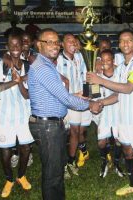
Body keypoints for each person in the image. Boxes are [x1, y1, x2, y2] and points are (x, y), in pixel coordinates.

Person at [28, 28, 102, 200]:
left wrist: (74, 96)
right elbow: (64, 98)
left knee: (56, 169)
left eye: (56, 42)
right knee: (53, 173)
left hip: (52, 124)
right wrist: (90, 104)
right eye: (49, 42)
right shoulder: (42, 68)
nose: (55, 45)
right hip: (47, 127)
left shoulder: (46, 64)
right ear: (39, 44)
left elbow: (58, 95)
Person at [87, 29, 133, 200]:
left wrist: (100, 80)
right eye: (122, 40)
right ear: (119, 44)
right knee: (128, 153)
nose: (125, 43)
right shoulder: (120, 68)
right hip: (123, 119)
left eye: (129, 40)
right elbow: (118, 94)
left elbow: (128, 88)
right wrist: (101, 102)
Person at [0, 34, 34, 198]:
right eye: (12, 44)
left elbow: (27, 94)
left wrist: (21, 79)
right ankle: (9, 179)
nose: (16, 47)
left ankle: (21, 176)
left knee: (26, 147)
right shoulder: (0, 63)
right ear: (7, 46)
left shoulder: (28, 66)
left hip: (23, 114)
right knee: (6, 150)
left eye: (19, 44)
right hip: (4, 114)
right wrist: (16, 81)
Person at [56, 33, 91, 179]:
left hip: (78, 101)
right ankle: (63, 164)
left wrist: (87, 92)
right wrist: (71, 94)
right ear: (62, 44)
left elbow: (84, 76)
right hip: (65, 101)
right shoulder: (57, 60)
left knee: (75, 132)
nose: (72, 43)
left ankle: (70, 161)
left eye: (74, 41)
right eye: (68, 41)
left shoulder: (79, 57)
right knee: (64, 134)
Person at [95, 49, 124, 178]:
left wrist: (102, 102)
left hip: (118, 110)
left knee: (119, 139)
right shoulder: (97, 76)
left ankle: (117, 163)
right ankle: (104, 161)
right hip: (104, 111)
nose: (106, 62)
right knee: (101, 141)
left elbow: (120, 93)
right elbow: (94, 93)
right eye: (103, 60)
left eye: (108, 60)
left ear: (113, 60)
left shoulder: (120, 73)